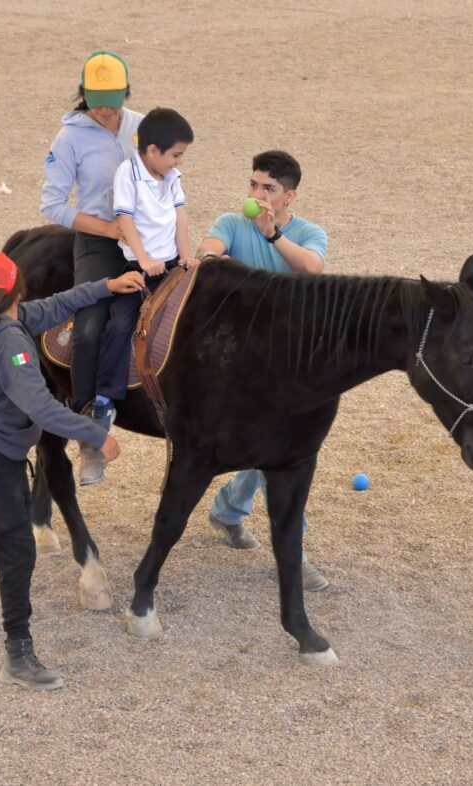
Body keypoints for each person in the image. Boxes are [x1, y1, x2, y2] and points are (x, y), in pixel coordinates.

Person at [0, 251, 144, 691]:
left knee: (9, 537)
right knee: (19, 552)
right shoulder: (12, 344)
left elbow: (59, 304)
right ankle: (17, 654)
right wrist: (97, 435)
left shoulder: (3, 321)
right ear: (19, 288)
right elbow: (41, 406)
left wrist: (106, 286)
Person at [194, 150, 330, 591]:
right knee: (279, 450)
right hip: (235, 365)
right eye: (254, 185)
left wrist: (272, 237)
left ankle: (229, 508)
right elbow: (208, 257)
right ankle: (295, 553)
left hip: (287, 365)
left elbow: (312, 269)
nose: (256, 195)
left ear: (289, 195)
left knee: (274, 448)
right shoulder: (231, 224)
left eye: (268, 188)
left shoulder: (309, 233)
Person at [40, 49, 144, 486]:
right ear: (82, 94)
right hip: (99, 243)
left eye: (113, 96)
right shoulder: (69, 139)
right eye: (96, 97)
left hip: (145, 238)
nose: (105, 106)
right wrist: (107, 228)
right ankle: (89, 435)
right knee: (88, 326)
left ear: (126, 91)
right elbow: (53, 206)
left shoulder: (142, 126)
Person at [92, 108, 196, 427]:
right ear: (152, 151)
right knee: (120, 324)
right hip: (139, 267)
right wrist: (144, 259)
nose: (178, 162)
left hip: (170, 267)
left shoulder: (172, 177)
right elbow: (125, 218)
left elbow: (179, 216)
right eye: (175, 155)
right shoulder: (128, 173)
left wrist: (186, 254)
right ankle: (104, 399)